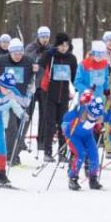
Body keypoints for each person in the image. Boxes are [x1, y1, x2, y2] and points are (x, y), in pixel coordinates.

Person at [0, 37, 34, 166]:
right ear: (10, 52)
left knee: (22, 127)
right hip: (8, 99)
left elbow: (38, 74)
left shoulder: (28, 60)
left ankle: (15, 154)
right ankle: (10, 156)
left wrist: (36, 72)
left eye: (20, 54)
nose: (18, 56)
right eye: (15, 54)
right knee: (11, 128)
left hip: (23, 99)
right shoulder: (2, 59)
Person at [37, 33, 77, 162]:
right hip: (49, 93)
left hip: (64, 95)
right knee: (50, 123)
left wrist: (79, 88)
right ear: (57, 45)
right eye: (61, 45)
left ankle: (62, 152)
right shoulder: (51, 55)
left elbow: (74, 76)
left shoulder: (71, 58)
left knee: (63, 124)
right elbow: (40, 66)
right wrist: (48, 54)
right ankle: (47, 151)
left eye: (66, 45)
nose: (64, 48)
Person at [61, 95, 106, 191]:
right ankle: (73, 178)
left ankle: (93, 178)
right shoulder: (79, 112)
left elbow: (108, 118)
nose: (93, 118)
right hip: (73, 135)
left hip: (87, 136)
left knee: (94, 154)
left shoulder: (98, 114)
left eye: (96, 116)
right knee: (81, 154)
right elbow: (65, 118)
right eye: (91, 115)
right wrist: (66, 126)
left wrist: (99, 127)